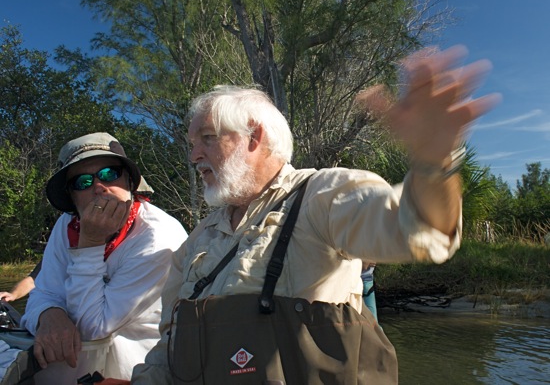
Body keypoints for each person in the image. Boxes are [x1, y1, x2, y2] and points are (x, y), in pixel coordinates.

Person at [132, 45, 501, 383]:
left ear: (254, 137)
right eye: (192, 143)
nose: (194, 155)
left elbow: (421, 229)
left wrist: (433, 163)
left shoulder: (323, 196)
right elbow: (170, 347)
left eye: (208, 138)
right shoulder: (196, 241)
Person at [20, 132, 188, 381]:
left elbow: (93, 327)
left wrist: (90, 243)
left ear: (130, 182)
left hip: (144, 373)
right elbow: (42, 293)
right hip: (79, 371)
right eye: (82, 182)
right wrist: (48, 314)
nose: (99, 186)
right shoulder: (65, 226)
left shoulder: (158, 237)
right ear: (72, 197)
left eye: (110, 174)